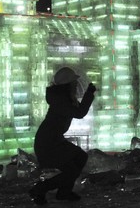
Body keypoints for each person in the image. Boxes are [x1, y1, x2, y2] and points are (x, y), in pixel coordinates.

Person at [28, 67, 97, 205]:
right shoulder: (61, 100)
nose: (76, 84)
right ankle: (40, 189)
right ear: (68, 84)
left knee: (75, 163)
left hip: (52, 140)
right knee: (76, 162)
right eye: (74, 82)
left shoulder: (63, 98)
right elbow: (79, 113)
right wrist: (89, 93)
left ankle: (63, 192)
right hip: (48, 143)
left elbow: (77, 110)